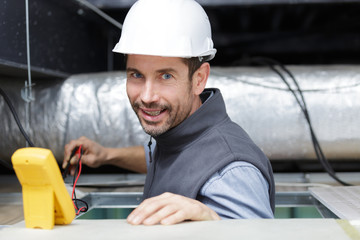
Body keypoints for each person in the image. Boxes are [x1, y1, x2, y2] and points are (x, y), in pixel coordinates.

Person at [63, 0, 275, 225]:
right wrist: (108, 155)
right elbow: (169, 158)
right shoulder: (182, 134)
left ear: (199, 79)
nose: (147, 96)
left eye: (166, 76)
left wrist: (214, 222)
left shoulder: (230, 173)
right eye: (136, 75)